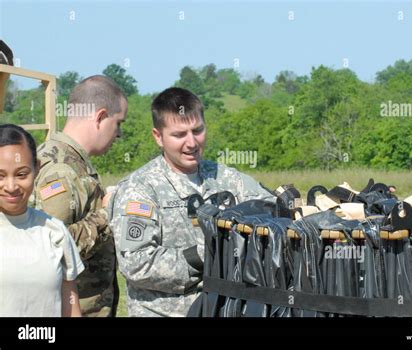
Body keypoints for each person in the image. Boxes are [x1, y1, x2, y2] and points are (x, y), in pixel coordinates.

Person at [109, 87, 276, 317]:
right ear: (158, 136)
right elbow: (136, 263)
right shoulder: (140, 189)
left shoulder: (224, 177)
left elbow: (272, 208)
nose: (192, 143)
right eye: (179, 135)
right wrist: (205, 255)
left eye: (198, 131)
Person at [32, 75, 128, 317]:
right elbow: (52, 248)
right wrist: (106, 214)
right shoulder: (62, 170)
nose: (119, 135)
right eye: (118, 123)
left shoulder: (62, 160)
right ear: (100, 117)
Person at [0, 124, 83, 317]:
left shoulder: (54, 231)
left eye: (21, 174)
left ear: (36, 169)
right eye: (0, 176)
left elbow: (71, 309)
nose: (11, 186)